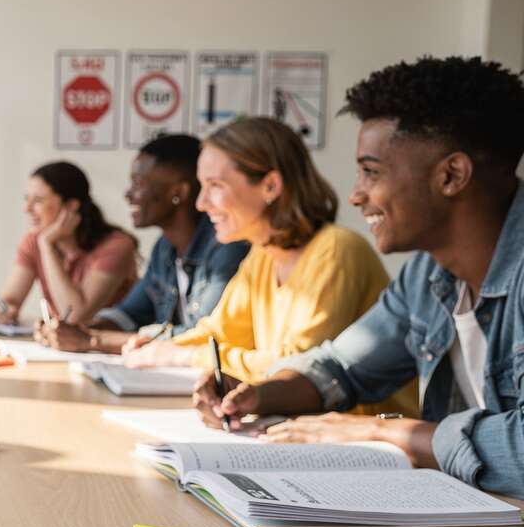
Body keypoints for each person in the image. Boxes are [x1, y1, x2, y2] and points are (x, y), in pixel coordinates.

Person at [195, 56, 524, 498]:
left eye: (371, 172)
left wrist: (389, 433)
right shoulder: (428, 276)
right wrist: (261, 395)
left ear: (452, 175)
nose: (355, 194)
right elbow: (342, 368)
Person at [121, 117, 417, 416]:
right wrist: (159, 345)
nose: (200, 203)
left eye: (215, 186)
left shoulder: (337, 250)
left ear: (271, 186)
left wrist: (183, 357)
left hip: (368, 447)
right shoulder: (263, 254)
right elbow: (220, 332)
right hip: (308, 434)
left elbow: (294, 366)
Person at [36, 134, 249, 353]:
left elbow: (202, 337)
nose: (128, 194)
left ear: (178, 193)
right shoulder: (164, 248)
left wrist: (93, 340)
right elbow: (130, 313)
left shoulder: (228, 248)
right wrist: (78, 330)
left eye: (138, 183)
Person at [0, 161, 138, 325]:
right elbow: (10, 299)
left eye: (38, 200)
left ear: (70, 206)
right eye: (27, 199)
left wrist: (46, 245)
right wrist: (2, 310)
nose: (27, 208)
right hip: (62, 346)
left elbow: (75, 316)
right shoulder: (33, 241)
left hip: (110, 345)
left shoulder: (117, 246)